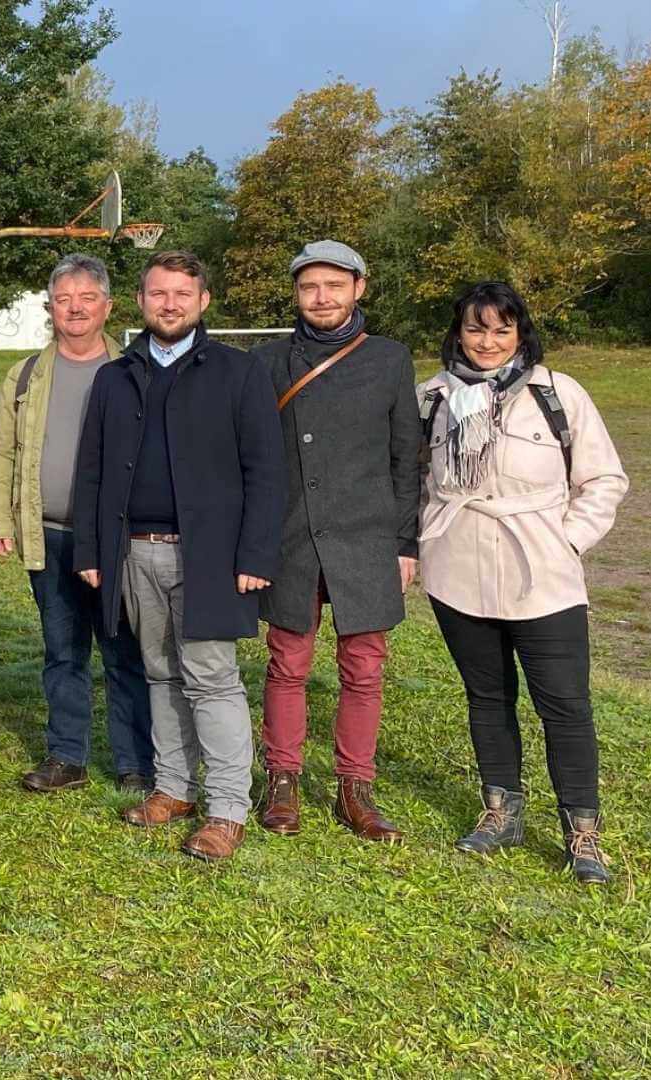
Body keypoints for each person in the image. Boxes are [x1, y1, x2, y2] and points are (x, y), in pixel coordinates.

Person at [73, 250, 285, 864]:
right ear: (140, 302)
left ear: (203, 302)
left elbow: (266, 472)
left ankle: (226, 809)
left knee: (211, 678)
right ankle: (173, 787)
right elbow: (93, 470)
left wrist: (256, 553)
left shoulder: (237, 372)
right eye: (158, 293)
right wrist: (92, 550)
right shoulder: (116, 375)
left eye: (182, 294)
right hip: (134, 551)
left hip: (211, 555)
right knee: (159, 672)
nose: (170, 304)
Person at [419, 282, 628, 884]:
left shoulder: (556, 394)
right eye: (475, 329)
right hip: (458, 568)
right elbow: (412, 481)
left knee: (563, 703)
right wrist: (424, 544)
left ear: (520, 333)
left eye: (500, 330)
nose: (487, 342)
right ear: (458, 332)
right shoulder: (432, 399)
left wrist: (567, 540)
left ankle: (582, 832)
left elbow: (604, 479)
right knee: (487, 697)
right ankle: (501, 810)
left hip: (543, 573)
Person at [251, 241, 420, 842]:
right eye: (309, 287)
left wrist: (406, 544)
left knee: (364, 670)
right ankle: (282, 779)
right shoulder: (268, 361)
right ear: (297, 293)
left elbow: (407, 458)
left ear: (358, 288)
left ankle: (356, 787)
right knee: (287, 663)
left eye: (333, 286)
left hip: (367, 537)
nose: (321, 298)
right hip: (292, 536)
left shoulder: (391, 359)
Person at [0, 254, 152, 795]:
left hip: (118, 540)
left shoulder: (137, 372)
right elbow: (1, 448)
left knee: (123, 649)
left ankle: (135, 762)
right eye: (63, 299)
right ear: (50, 307)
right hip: (49, 535)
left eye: (86, 298)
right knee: (63, 651)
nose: (74, 308)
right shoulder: (26, 374)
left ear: (107, 306)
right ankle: (66, 756)